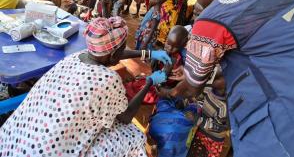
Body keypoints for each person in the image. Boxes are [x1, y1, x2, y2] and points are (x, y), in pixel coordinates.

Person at [157, 0, 294, 157]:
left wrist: (168, 93)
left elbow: (191, 90)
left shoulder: (213, 17)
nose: (198, 1)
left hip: (287, 113)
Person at [0, 16, 171, 156]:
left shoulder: (78, 56)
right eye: (122, 48)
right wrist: (149, 81)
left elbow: (111, 53)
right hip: (46, 151)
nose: (123, 51)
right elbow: (125, 118)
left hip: (18, 139)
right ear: (112, 54)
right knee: (133, 136)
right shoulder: (108, 80)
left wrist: (148, 53)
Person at [126, 25, 189, 104]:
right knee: (133, 87)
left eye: (175, 47)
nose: (170, 48)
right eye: (168, 43)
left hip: (161, 87)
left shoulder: (174, 59)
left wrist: (150, 79)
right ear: (166, 39)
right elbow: (155, 70)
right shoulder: (162, 52)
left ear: (182, 45)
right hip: (155, 80)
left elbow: (161, 80)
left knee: (138, 93)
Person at [187, 66, 228, 157]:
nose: (214, 78)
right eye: (215, 76)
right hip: (201, 127)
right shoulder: (209, 88)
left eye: (219, 77)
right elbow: (202, 99)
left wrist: (197, 119)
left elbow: (218, 127)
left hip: (211, 138)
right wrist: (195, 102)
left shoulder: (223, 108)